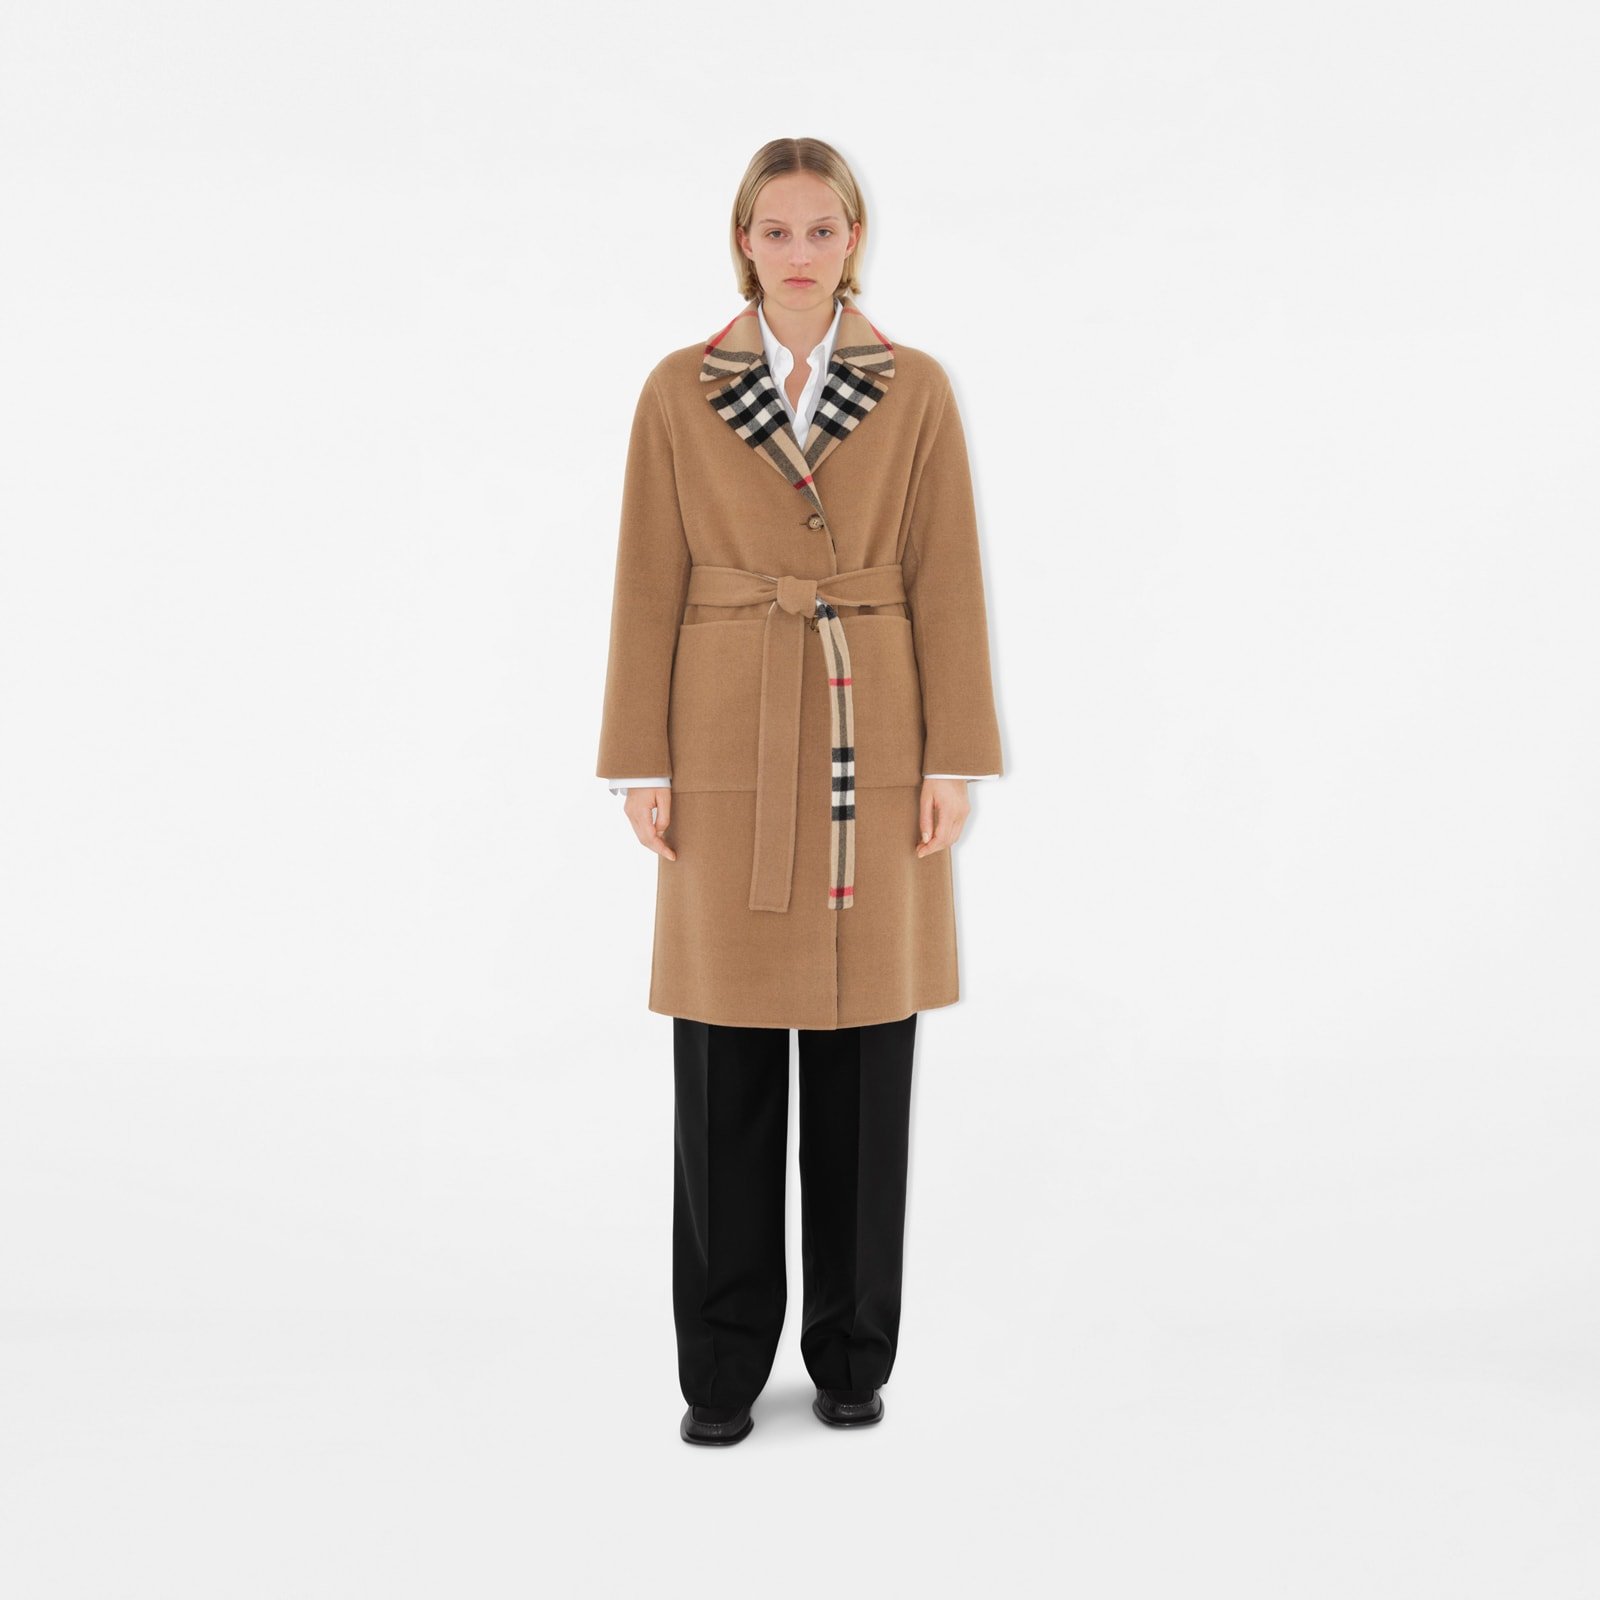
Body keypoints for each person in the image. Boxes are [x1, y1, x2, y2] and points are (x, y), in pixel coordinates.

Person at [594, 137, 1004, 1446]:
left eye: (823, 229)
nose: (800, 252)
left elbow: (947, 572)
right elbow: (646, 573)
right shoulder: (680, 389)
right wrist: (641, 761)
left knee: (864, 1056)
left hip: (873, 724)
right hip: (724, 730)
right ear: (743, 243)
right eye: (776, 230)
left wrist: (951, 759)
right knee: (724, 1055)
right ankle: (720, 1369)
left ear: (854, 239)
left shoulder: (915, 388)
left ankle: (851, 1354)